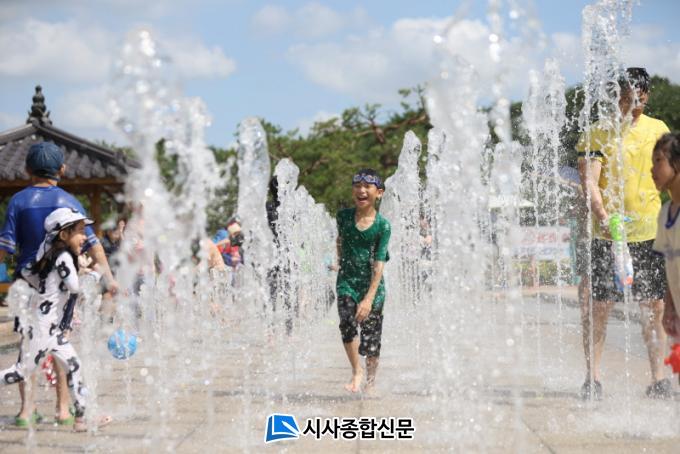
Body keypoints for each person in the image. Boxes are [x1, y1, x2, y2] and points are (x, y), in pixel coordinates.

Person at [0, 141, 119, 425]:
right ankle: (64, 409)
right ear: (62, 169)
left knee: (30, 346)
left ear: (27, 170)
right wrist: (108, 277)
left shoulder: (18, 201)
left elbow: (4, 248)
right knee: (57, 347)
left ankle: (27, 410)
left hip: (27, 286)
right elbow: (94, 245)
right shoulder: (70, 203)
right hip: (60, 291)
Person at [577, 68, 670, 399]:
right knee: (599, 306)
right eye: (628, 99)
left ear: (647, 96)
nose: (634, 106)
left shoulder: (658, 129)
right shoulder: (597, 133)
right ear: (616, 98)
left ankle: (658, 379)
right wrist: (603, 216)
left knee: (654, 307)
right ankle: (592, 379)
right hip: (609, 235)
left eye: (640, 99)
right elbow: (590, 182)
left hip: (650, 232)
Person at [1, 208, 99, 432]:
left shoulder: (50, 256)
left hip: (51, 329)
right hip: (42, 328)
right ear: (63, 235)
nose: (85, 236)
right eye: (80, 231)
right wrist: (95, 275)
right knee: (21, 372)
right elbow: (75, 287)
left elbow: (29, 274)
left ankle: (82, 417)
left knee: (74, 365)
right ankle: (82, 416)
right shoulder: (63, 257)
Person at [335, 168, 391, 393]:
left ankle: (370, 382)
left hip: (372, 287)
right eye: (357, 186)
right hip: (347, 281)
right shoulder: (343, 217)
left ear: (379, 193)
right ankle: (356, 371)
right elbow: (340, 240)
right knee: (346, 322)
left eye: (367, 186)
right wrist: (340, 262)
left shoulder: (382, 226)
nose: (361, 190)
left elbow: (379, 265)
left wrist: (368, 299)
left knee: (371, 340)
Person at [651, 134, 680, 349]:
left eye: (659, 161)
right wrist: (669, 307)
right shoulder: (665, 213)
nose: (652, 169)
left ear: (677, 164)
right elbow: (670, 264)